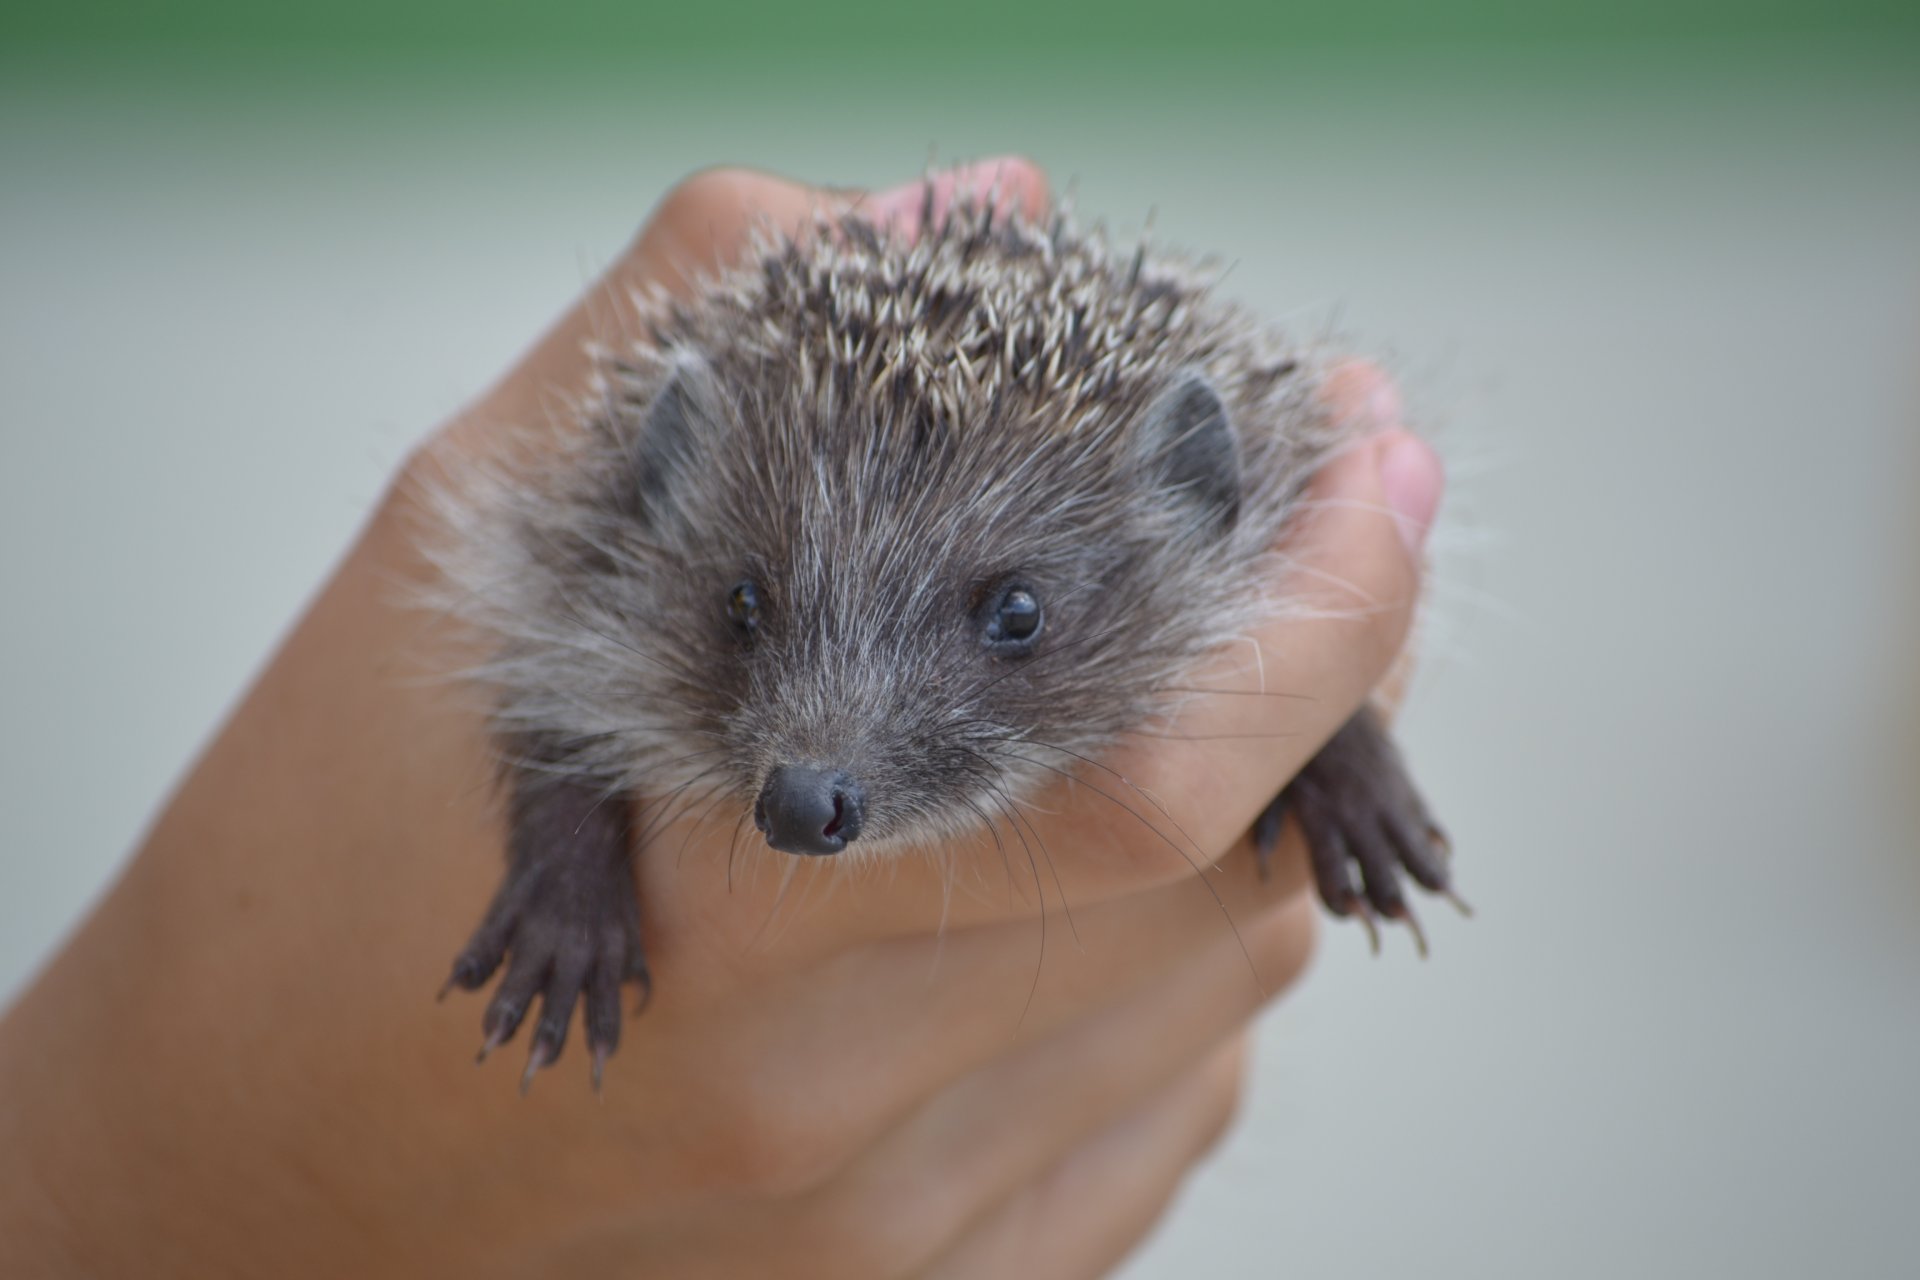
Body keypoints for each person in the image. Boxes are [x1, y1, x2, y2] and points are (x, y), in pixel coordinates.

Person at [0, 158, 1442, 1278]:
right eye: (750, 615)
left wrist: (1338, 748)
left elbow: (1292, 660)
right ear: (673, 485)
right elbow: (557, 695)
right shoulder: (626, 575)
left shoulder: (1214, 549)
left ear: (1196, 502)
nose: (814, 760)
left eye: (1010, 623)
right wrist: (567, 879)